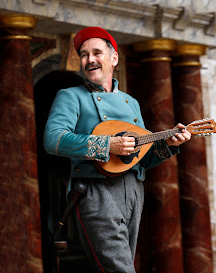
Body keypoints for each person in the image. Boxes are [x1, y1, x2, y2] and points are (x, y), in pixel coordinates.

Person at [43, 26, 191, 273]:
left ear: (114, 58)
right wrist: (107, 145)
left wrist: (168, 145)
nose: (89, 59)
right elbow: (53, 139)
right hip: (95, 190)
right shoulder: (70, 96)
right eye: (84, 54)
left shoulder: (131, 103)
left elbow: (140, 159)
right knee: (119, 269)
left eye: (97, 52)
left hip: (134, 192)